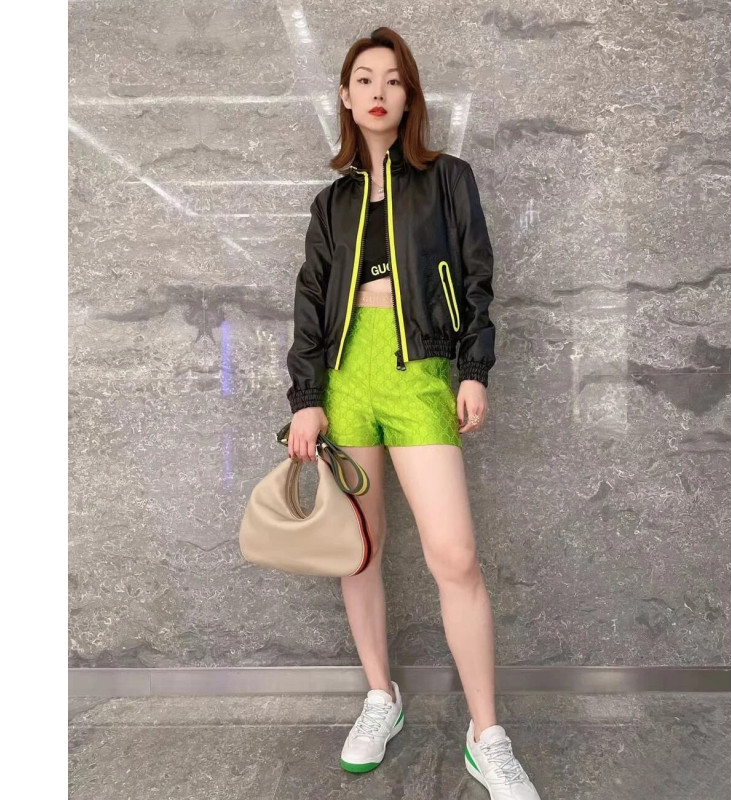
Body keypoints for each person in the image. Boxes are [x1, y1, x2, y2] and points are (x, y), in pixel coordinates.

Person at [285, 27, 543, 800]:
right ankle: (381, 697)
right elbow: (309, 305)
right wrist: (307, 398)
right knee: (358, 551)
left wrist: (473, 369)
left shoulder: (448, 179)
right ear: (344, 95)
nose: (378, 91)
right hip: (345, 380)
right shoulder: (331, 203)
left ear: (409, 96)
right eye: (364, 78)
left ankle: (486, 735)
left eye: (393, 80)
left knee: (454, 556)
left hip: (420, 371)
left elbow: (477, 279)